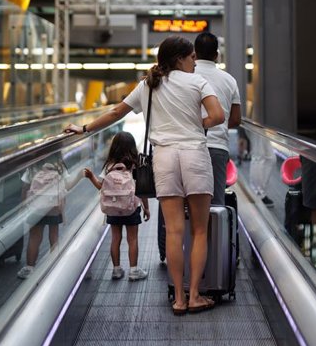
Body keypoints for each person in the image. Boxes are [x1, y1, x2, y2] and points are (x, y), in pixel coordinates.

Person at [65, 36, 224, 315]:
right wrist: (198, 123)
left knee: (173, 230)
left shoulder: (147, 86)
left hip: (164, 158)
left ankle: (177, 298)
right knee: (200, 229)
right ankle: (195, 295)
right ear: (179, 59)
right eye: (191, 59)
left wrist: (84, 128)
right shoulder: (198, 82)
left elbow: (116, 112)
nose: (195, 63)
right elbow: (218, 115)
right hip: (194, 155)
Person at [84, 131, 150, 281]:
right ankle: (134, 270)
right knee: (132, 239)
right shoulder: (135, 165)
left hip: (113, 209)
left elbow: (101, 186)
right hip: (131, 208)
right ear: (132, 147)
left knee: (116, 238)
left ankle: (116, 269)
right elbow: (142, 189)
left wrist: (91, 177)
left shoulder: (109, 166)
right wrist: (146, 207)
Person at [193, 31, 242, 205]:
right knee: (215, 203)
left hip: (188, 148)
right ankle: (213, 232)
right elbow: (236, 119)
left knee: (187, 205)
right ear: (216, 55)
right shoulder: (229, 80)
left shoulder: (186, 77)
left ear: (194, 53)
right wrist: (217, 125)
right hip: (217, 148)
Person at [17, 155, 70, 279]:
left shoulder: (32, 167)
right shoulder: (59, 166)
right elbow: (65, 186)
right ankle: (54, 265)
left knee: (34, 237)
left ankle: (30, 267)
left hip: (36, 208)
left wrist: (22, 206)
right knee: (54, 235)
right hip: (53, 207)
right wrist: (62, 207)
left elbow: (25, 188)